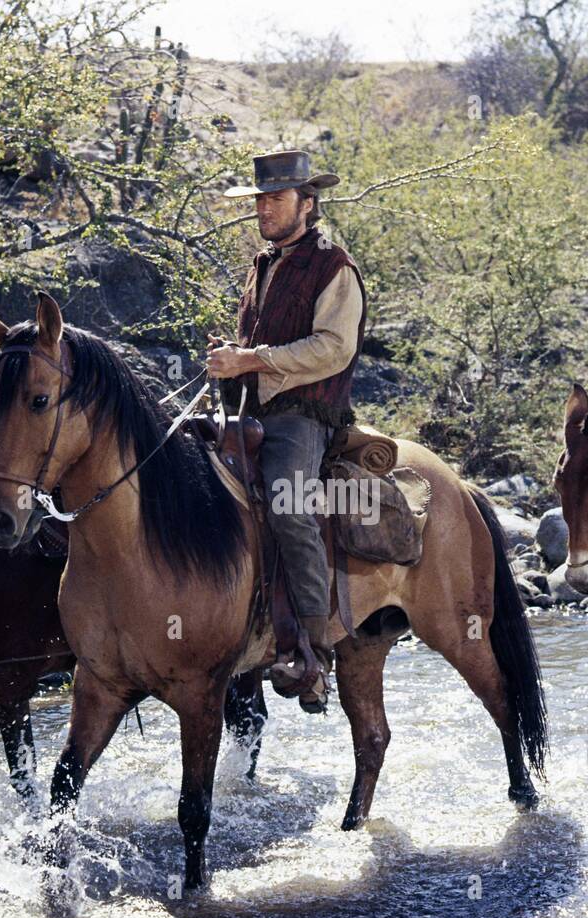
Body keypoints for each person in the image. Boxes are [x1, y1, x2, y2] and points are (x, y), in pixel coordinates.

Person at [205, 150, 366, 711]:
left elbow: (333, 348)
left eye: (275, 199)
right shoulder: (263, 264)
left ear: (308, 203)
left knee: (288, 504)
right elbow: (254, 345)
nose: (264, 209)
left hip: (305, 416)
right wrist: (229, 359)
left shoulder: (334, 265)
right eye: (260, 200)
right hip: (247, 411)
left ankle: (314, 649)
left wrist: (249, 360)